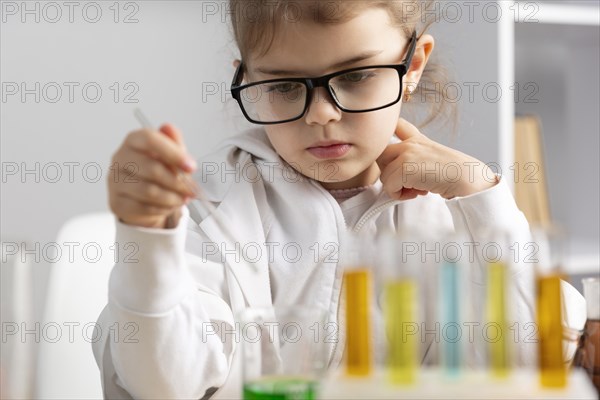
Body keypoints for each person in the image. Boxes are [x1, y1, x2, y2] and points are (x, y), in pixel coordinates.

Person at [93, 1, 583, 398]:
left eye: (354, 77)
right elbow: (162, 385)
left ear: (412, 66)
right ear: (246, 78)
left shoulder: (455, 214)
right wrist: (148, 238)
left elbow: (531, 365)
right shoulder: (213, 208)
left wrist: (483, 199)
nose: (322, 115)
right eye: (284, 85)